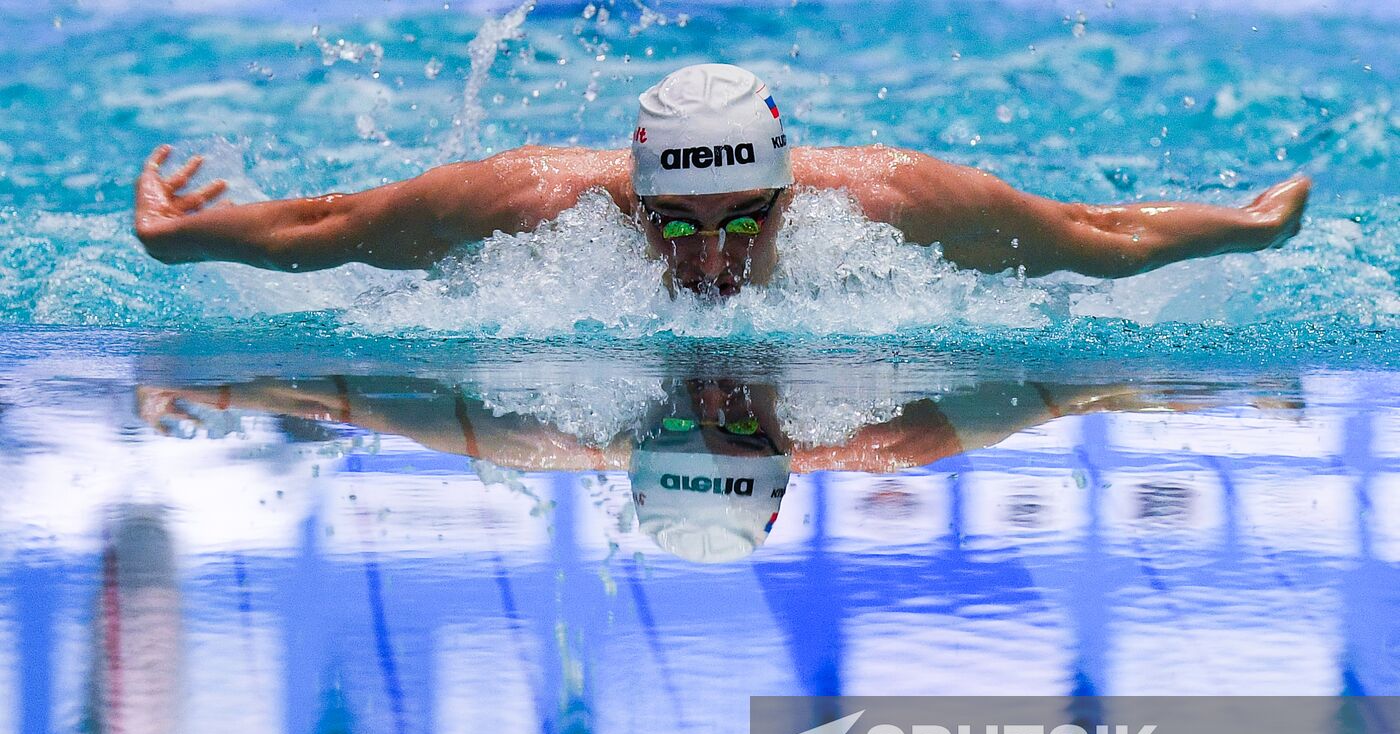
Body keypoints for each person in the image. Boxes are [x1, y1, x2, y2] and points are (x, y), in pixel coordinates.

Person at [135, 64, 1311, 298]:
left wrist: (1237, 235)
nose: (709, 259)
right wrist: (182, 241)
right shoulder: (529, 204)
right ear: (626, 198)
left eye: (749, 217)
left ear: (795, 191)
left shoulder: (893, 204)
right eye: (672, 225)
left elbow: (1085, 231)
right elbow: (332, 224)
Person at [138, 374, 1232, 563]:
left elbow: (351, 399)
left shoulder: (543, 437)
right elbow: (1067, 387)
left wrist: (228, 389)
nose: (713, 414)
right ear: (784, 463)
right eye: (733, 441)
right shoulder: (882, 438)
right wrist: (1150, 391)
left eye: (696, 442)